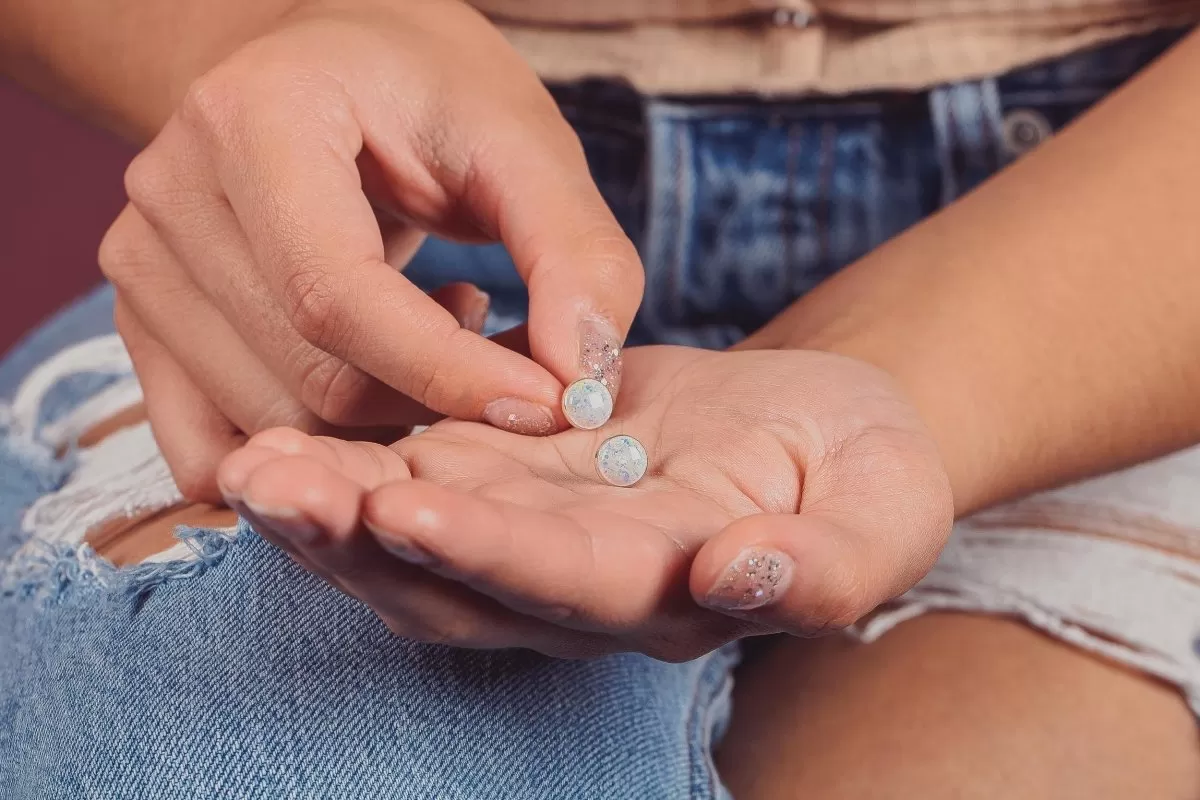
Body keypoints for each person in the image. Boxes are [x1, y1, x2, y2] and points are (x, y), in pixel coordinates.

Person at [2, 0, 1199, 796]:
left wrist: (900, 380)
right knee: (298, 749)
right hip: (396, 232)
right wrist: (279, 40)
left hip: (1103, 277)